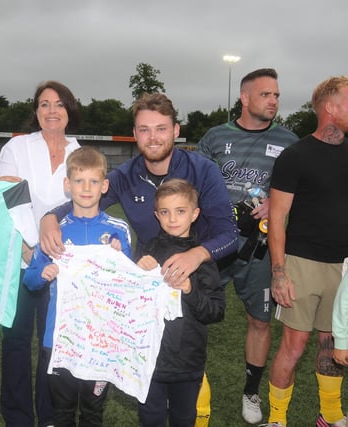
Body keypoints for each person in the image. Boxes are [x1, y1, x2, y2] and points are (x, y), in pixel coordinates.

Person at [39, 93, 237, 426]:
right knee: (153, 386)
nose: (153, 137)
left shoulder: (203, 170)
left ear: (176, 130)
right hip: (151, 281)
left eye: (161, 128)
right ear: (134, 133)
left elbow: (229, 234)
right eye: (144, 130)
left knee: (188, 374)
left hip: (197, 278)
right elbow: (86, 198)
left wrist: (195, 255)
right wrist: (48, 217)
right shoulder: (127, 175)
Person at [196, 68, 298, 424]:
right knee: (192, 315)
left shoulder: (289, 141)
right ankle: (192, 385)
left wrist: (278, 202)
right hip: (213, 244)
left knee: (259, 319)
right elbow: (195, 185)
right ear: (245, 98)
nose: (274, 101)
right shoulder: (215, 136)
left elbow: (303, 189)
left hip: (260, 249)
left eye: (276, 95)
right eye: (266, 94)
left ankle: (251, 392)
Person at [0, 80, 82, 427]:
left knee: (53, 345)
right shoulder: (17, 148)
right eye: (44, 104)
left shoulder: (80, 152)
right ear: (36, 111)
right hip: (19, 258)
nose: (51, 111)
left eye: (58, 104)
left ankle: (49, 416)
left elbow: (82, 205)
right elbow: (6, 201)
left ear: (69, 111)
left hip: (60, 265)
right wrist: (28, 249)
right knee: (15, 342)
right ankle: (17, 418)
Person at [23, 146, 132, 426]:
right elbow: (30, 280)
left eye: (94, 181)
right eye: (79, 181)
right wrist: (44, 273)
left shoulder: (118, 230)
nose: (86, 188)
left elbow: (129, 283)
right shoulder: (55, 230)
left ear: (104, 186)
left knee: (94, 412)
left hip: (101, 339)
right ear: (67, 185)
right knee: (62, 412)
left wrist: (121, 258)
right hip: (59, 339)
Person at [265, 76, 348, 427]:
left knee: (333, 344)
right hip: (302, 262)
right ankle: (277, 418)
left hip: (343, 267)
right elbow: (277, 217)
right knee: (295, 345)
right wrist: (279, 272)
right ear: (331, 107)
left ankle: (329, 414)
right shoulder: (295, 155)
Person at [135, 178, 225, 427]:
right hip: (150, 358)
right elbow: (130, 303)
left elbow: (216, 311)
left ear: (195, 214)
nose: (172, 218)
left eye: (180, 211)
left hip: (188, 361)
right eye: (165, 212)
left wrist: (190, 289)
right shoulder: (147, 251)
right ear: (156, 215)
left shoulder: (202, 257)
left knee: (183, 419)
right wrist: (139, 271)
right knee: (150, 418)